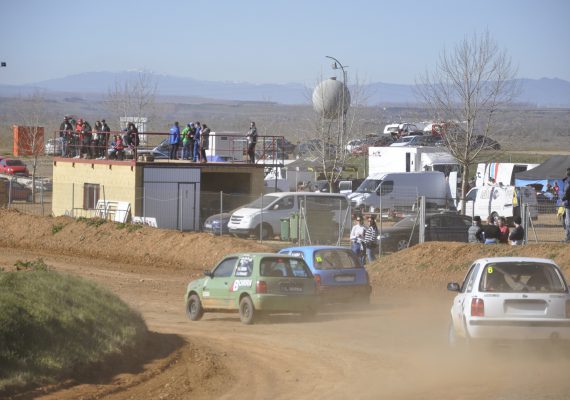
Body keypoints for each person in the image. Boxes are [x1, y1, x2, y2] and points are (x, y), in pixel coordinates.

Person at [562, 168, 570, 242]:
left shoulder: (567, 182)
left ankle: (568, 238)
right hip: (567, 204)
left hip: (568, 204)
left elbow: (566, 191)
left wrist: (563, 198)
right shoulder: (566, 181)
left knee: (567, 222)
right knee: (566, 221)